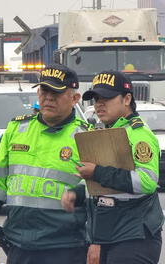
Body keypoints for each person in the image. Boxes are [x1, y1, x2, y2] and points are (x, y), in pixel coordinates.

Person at [0, 64, 89, 264]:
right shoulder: (17, 129)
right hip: (20, 243)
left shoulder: (86, 136)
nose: (48, 97)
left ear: (75, 98)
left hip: (66, 246)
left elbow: (98, 192)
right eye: (44, 91)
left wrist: (78, 194)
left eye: (56, 92)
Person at [61, 71, 163, 264]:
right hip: (109, 233)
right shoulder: (104, 131)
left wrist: (97, 172)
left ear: (127, 99)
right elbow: (100, 186)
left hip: (135, 236)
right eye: (96, 98)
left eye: (106, 98)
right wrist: (77, 193)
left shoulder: (138, 134)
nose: (99, 104)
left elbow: (147, 182)